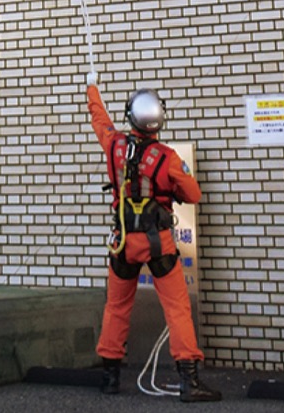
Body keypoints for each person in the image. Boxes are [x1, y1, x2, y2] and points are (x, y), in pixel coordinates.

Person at [86, 73, 220, 401]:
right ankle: (189, 381)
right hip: (158, 242)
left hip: (122, 242)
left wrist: (92, 88)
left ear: (131, 115)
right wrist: (169, 188)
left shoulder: (114, 144)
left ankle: (110, 377)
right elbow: (193, 195)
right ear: (160, 119)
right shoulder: (167, 157)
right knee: (176, 307)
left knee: (116, 307)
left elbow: (99, 119)